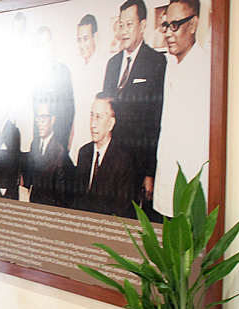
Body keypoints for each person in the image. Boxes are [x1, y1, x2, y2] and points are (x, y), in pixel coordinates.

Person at [102, 0, 167, 221]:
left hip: (137, 164)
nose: (124, 30)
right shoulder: (112, 64)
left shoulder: (157, 62)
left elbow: (155, 120)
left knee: (134, 224)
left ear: (143, 25)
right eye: (121, 25)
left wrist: (150, 172)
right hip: (111, 161)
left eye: (130, 24)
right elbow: (105, 111)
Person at [153, 0, 209, 218]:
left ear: (193, 24)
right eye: (166, 25)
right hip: (167, 181)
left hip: (192, 187)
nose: (168, 33)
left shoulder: (205, 69)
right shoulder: (168, 66)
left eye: (175, 25)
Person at [74, 94, 136, 218]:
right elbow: (76, 199)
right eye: (92, 116)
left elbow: (121, 211)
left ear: (111, 124)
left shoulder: (123, 162)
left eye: (99, 117)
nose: (93, 124)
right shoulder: (84, 152)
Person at [69, 14, 106, 165]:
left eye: (86, 38)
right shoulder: (77, 69)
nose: (82, 44)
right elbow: (75, 112)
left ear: (95, 38)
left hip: (94, 145)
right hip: (77, 144)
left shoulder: (104, 68)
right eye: (79, 40)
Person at [24, 101, 73, 208]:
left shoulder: (61, 155)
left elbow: (62, 200)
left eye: (44, 118)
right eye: (37, 117)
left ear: (52, 120)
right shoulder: (35, 145)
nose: (39, 122)